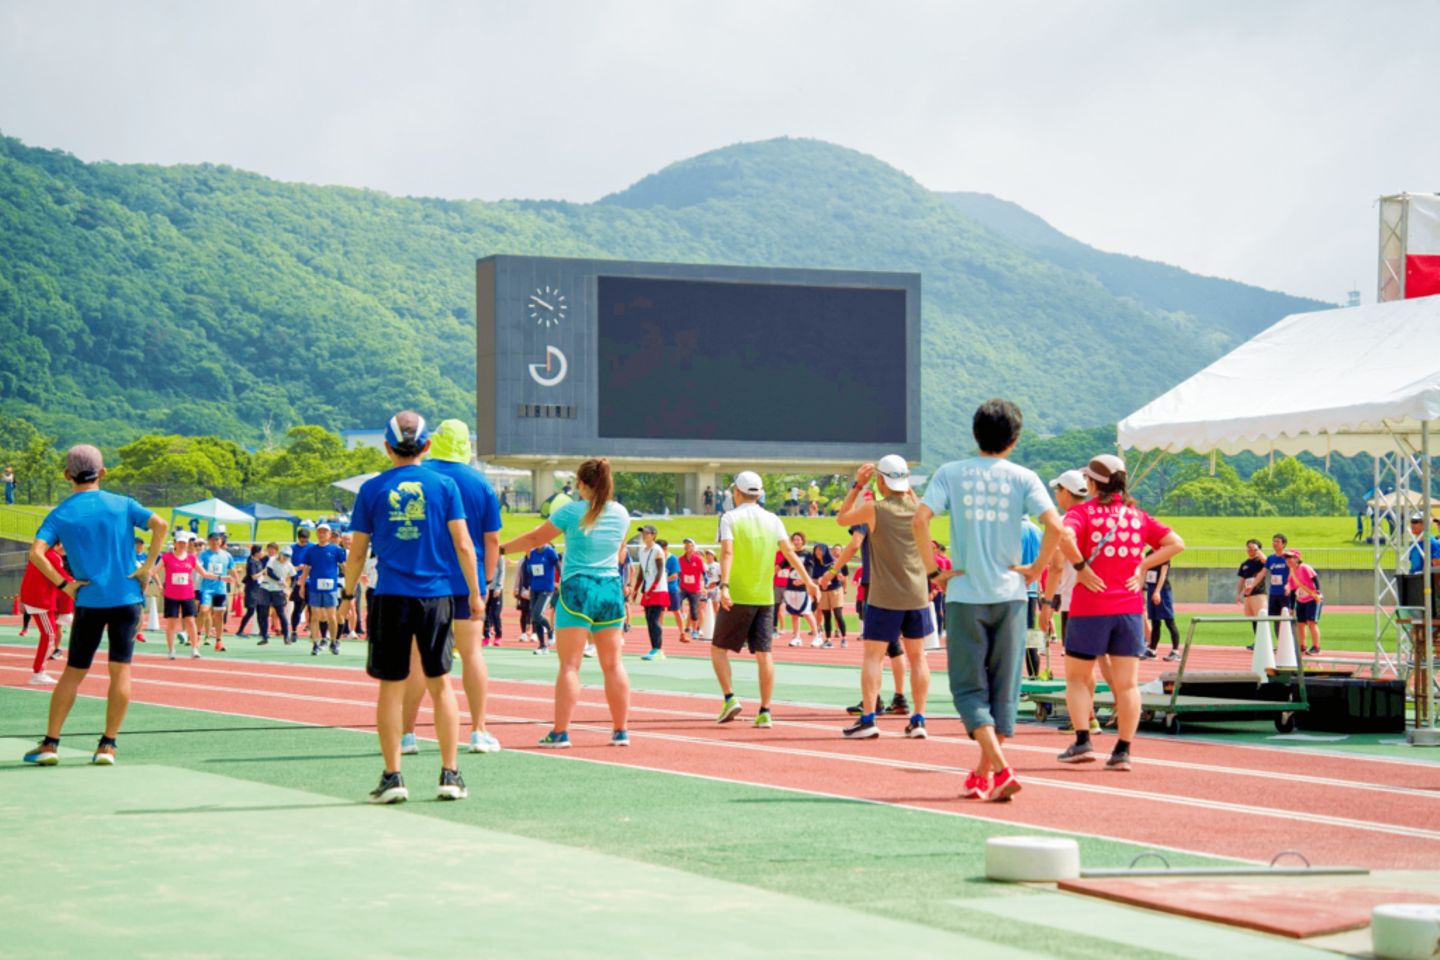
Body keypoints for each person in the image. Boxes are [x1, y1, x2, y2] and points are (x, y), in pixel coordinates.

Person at [914, 400, 1062, 802]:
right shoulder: (1025, 477)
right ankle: (984, 775)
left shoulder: (951, 473)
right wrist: (1037, 569)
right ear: (1015, 439)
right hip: (1012, 597)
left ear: (974, 433)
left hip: (965, 595)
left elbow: (920, 519)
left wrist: (934, 572)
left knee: (968, 690)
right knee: (1004, 690)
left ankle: (999, 769)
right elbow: (1056, 525)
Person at [340, 411, 479, 804]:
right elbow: (464, 544)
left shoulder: (372, 488)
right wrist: (476, 592)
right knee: (440, 683)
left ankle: (393, 777)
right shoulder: (445, 485)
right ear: (427, 446)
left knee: (391, 687)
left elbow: (357, 552)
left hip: (390, 596)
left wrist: (348, 596)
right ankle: (450, 774)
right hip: (437, 596)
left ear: (387, 447)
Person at [23, 445, 167, 766]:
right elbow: (160, 525)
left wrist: (65, 584)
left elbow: (36, 553)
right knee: (121, 671)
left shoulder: (60, 513)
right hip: (127, 599)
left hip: (89, 600)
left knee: (73, 673)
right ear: (102, 473)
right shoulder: (123, 504)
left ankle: (50, 744)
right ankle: (107, 746)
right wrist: (147, 568)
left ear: (67, 475)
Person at [1056, 454, 1185, 772]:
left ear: (1092, 483)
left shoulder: (1082, 512)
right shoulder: (1137, 516)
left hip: (1090, 608)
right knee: (1128, 685)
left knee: (1076, 678)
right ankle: (1123, 751)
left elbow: (1064, 534)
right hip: (1129, 609)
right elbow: (1176, 543)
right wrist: (1142, 564)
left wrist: (1081, 567)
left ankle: (1083, 741)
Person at [500, 458, 632, 747]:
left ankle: (560, 732)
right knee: (613, 665)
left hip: (578, 588)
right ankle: (620, 731)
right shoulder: (621, 513)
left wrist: (499, 549)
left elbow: (535, 538)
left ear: (581, 485)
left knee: (570, 666)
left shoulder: (571, 511)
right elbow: (620, 551)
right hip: (610, 589)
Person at [399, 419, 503, 756]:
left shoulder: (417, 476)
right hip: (467, 580)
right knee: (472, 654)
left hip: (423, 579)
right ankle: (478, 731)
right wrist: (485, 583)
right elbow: (492, 540)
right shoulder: (481, 483)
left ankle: (407, 735)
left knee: (418, 657)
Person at [836, 457, 933, 739]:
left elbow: (842, 518)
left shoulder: (874, 509)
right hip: (917, 595)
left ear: (880, 480)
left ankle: (868, 719)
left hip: (885, 597)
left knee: (873, 657)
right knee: (918, 659)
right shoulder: (920, 509)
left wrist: (857, 485)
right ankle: (919, 720)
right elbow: (911, 497)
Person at [712, 470, 817, 728]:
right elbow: (790, 552)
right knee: (764, 654)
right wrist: (809, 580)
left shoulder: (729, 517)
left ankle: (730, 698)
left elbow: (727, 552)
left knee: (718, 649)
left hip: (737, 595)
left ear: (736, 492)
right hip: (765, 597)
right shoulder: (773, 519)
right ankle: (765, 711)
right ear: (760, 494)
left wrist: (724, 586)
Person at [1039, 469, 1108, 735]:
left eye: (1057, 490)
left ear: (1065, 492)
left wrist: (1047, 604)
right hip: (1102, 598)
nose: (1055, 495)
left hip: (1074, 601)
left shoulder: (1066, 522)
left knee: (1077, 667)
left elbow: (1056, 566)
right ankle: (1095, 714)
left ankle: (1085, 718)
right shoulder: (1100, 518)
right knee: (1101, 661)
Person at [21, 541, 70, 685]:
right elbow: (62, 579)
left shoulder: (45, 554)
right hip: (40, 599)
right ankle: (38, 673)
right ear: (58, 544)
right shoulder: (52, 556)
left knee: (49, 635)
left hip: (40, 597)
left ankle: (38, 673)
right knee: (49, 636)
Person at [299, 523, 348, 655]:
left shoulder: (336, 549)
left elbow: (343, 566)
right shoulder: (311, 550)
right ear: (316, 534)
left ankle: (334, 642)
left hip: (331, 588)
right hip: (315, 587)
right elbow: (306, 568)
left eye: (325, 532)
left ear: (329, 534)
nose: (322, 534)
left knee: (332, 616)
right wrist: (302, 585)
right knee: (315, 616)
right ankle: (315, 644)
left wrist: (349, 583)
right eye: (320, 532)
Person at [156, 532, 203, 659]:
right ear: (175, 543)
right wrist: (156, 582)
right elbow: (154, 571)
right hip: (171, 595)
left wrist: (221, 577)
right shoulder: (166, 557)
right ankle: (171, 650)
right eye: (180, 542)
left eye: (184, 543)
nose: (182, 545)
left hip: (188, 594)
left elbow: (204, 573)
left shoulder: (192, 558)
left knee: (191, 621)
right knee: (172, 623)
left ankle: (194, 649)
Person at [195, 531, 234, 651]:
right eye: (212, 540)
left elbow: (232, 569)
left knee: (219, 615)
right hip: (206, 588)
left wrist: (238, 584)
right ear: (208, 542)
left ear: (221, 541)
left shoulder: (226, 555)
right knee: (203, 610)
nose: (214, 542)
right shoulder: (203, 555)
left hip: (220, 589)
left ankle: (219, 640)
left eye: (217, 540)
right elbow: (198, 566)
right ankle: (197, 635)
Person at [636, 525, 669, 661]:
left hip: (658, 589)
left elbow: (660, 572)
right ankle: (654, 648)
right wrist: (636, 588)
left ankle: (658, 649)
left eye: (646, 533)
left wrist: (652, 588)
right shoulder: (641, 551)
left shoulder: (657, 550)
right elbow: (641, 572)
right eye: (642, 533)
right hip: (648, 589)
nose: (643, 535)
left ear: (653, 535)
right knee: (649, 619)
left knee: (654, 619)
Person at [525, 538, 561, 654]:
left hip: (546, 588)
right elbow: (530, 570)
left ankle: (550, 630)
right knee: (535, 617)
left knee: (538, 614)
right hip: (534, 588)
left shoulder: (550, 551)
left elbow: (558, 567)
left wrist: (563, 581)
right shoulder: (533, 553)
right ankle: (542, 646)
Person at [1143, 549, 1179, 661]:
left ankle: (1175, 651)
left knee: (1169, 621)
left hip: (1162, 590)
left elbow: (1163, 575)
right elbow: (1145, 571)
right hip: (1151, 587)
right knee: (1155, 622)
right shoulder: (1149, 554)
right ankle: (1152, 650)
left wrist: (1157, 592)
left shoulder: (1165, 554)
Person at [1285, 548, 1323, 655]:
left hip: (1312, 598)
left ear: (1297, 559)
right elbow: (1293, 591)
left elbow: (1315, 579)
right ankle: (1301, 646)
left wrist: (1317, 592)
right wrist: (1292, 607)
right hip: (1301, 600)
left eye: (1291, 557)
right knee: (1300, 624)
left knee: (1311, 623)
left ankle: (1316, 647)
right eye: (1287, 558)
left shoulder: (1304, 567)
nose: (1288, 560)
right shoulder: (1291, 574)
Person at [255, 543, 295, 645]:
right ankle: (264, 637)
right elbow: (269, 572)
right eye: (284, 555)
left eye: (288, 556)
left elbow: (294, 577)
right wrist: (280, 580)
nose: (285, 558)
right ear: (280, 554)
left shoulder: (289, 565)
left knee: (281, 613)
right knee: (264, 614)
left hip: (278, 591)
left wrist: (290, 588)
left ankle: (286, 637)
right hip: (266, 588)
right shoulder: (272, 560)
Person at [810, 543, 846, 647]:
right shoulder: (816, 565)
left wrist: (838, 576)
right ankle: (828, 639)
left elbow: (839, 575)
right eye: (816, 550)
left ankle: (844, 638)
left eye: (820, 550)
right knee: (826, 616)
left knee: (838, 614)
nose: (818, 552)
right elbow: (814, 579)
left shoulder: (833, 562)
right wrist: (821, 581)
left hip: (835, 590)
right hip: (823, 591)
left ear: (825, 551)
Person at [1237, 538, 1269, 646]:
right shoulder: (1244, 564)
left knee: (1261, 618)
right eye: (1248, 547)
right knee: (1253, 619)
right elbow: (1241, 580)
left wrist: (1257, 550)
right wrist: (1238, 594)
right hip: (1248, 595)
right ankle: (1258, 641)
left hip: (1258, 593)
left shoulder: (1260, 561)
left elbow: (1265, 560)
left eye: (1252, 547)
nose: (1249, 549)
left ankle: (1264, 642)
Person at [677, 538, 707, 642]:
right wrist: (677, 582)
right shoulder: (680, 559)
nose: (686, 547)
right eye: (685, 545)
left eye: (689, 545)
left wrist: (705, 585)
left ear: (693, 547)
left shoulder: (698, 560)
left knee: (694, 612)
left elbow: (704, 573)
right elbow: (678, 572)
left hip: (695, 589)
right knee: (676, 601)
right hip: (683, 587)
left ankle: (694, 630)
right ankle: (682, 616)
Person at [236, 544, 265, 638]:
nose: (263, 553)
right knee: (250, 611)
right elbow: (253, 577)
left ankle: (262, 632)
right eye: (261, 551)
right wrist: (263, 571)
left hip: (258, 589)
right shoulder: (252, 562)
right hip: (251, 589)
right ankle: (240, 631)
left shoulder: (258, 562)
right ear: (256, 553)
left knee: (260, 611)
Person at [289, 526, 312, 636]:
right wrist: (298, 568)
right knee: (297, 607)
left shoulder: (313, 547)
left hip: (311, 581)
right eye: (302, 541)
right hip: (298, 581)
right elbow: (287, 566)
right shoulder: (292, 548)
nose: (304, 543)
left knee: (313, 608)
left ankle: (312, 630)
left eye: (306, 541)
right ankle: (294, 630)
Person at [1264, 533, 1291, 618]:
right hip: (1273, 592)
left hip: (1285, 593)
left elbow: (1293, 573)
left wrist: (1289, 585)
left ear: (1284, 544)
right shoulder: (1270, 558)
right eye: (1274, 541)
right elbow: (1262, 573)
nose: (1275, 543)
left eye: (1278, 542)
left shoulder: (1288, 558)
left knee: (1287, 617)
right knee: (1275, 618)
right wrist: (1252, 585)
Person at [482, 554, 506, 644]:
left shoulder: (499, 556)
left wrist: (498, 587)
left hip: (496, 589)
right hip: (486, 589)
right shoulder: (484, 554)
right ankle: (486, 636)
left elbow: (502, 571)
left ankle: (498, 636)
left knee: (496, 613)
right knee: (485, 613)